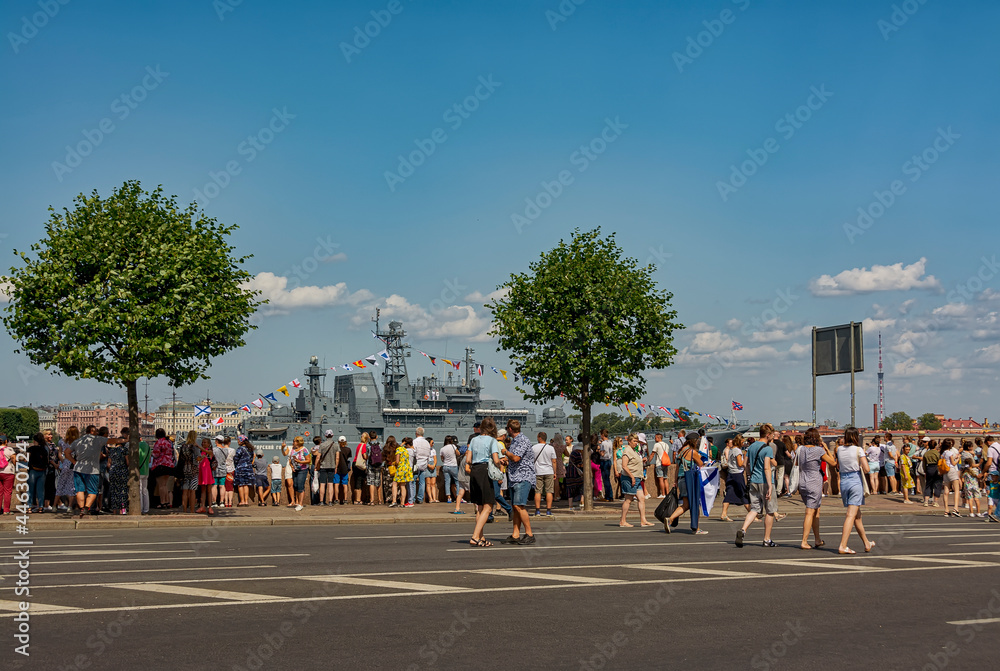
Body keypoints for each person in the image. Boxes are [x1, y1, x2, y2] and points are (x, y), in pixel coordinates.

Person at [736, 423, 778, 548]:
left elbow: (745, 464)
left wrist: (749, 476)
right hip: (764, 481)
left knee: (754, 509)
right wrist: (770, 485)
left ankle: (743, 530)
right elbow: (767, 467)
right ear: (768, 435)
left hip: (753, 480)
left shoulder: (751, 447)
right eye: (772, 435)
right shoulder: (767, 449)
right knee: (770, 511)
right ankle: (767, 539)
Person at [836, 427, 875, 554]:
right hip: (855, 481)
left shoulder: (839, 449)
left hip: (844, 482)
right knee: (851, 515)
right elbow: (867, 469)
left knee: (857, 516)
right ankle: (843, 545)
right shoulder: (859, 450)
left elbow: (838, 466)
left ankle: (866, 543)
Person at [796, 428, 837, 550]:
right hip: (814, 482)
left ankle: (817, 539)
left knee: (815, 511)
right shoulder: (819, 450)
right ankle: (804, 541)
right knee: (810, 512)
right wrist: (826, 449)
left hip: (803, 481)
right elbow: (833, 463)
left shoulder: (801, 449)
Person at [467, 416, 502, 547]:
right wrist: (499, 464)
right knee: (488, 506)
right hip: (485, 470)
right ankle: (475, 536)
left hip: (474, 471)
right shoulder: (492, 440)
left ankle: (481, 538)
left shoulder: (474, 440)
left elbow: (469, 459)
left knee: (480, 508)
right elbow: (496, 459)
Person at [500, 420, 535, 544]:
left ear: (510, 429)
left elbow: (516, 457)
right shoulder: (515, 441)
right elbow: (514, 459)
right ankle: (515, 535)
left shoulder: (522, 440)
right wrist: (506, 461)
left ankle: (529, 534)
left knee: (519, 506)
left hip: (523, 476)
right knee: (515, 507)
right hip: (515, 477)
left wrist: (505, 452)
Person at [665, 434, 706, 534]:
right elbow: (701, 464)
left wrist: (675, 481)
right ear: (694, 441)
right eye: (697, 441)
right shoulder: (692, 452)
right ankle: (696, 528)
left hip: (681, 479)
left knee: (686, 504)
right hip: (690, 480)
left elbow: (677, 468)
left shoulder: (681, 451)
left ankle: (670, 519)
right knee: (695, 503)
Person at [617, 433, 656, 528]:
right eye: (634, 441)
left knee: (641, 499)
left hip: (638, 478)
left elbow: (634, 462)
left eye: (637, 441)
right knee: (628, 500)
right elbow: (624, 466)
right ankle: (623, 521)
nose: (636, 443)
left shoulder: (634, 451)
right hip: (630, 478)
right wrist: (632, 477)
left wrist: (642, 460)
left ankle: (643, 520)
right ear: (629, 441)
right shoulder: (627, 451)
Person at [71, 425, 108, 518]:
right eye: (95, 431)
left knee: (79, 490)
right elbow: (112, 440)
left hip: (78, 468)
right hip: (92, 469)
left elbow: (67, 452)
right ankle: (87, 508)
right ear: (92, 431)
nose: (96, 433)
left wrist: (74, 461)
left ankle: (82, 508)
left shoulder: (78, 441)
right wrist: (125, 440)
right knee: (92, 491)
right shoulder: (97, 440)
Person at [720, 434, 749, 521]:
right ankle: (753, 515)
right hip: (737, 474)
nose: (743, 443)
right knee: (743, 493)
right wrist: (745, 460)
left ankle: (724, 513)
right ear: (739, 441)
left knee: (729, 493)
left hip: (731, 473)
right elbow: (740, 464)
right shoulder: (738, 451)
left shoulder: (731, 450)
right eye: (742, 442)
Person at [150, 428, 175, 509]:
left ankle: (162, 502)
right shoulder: (169, 442)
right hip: (169, 464)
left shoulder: (159, 442)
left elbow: (156, 454)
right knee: (165, 485)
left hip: (160, 464)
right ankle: (167, 502)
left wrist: (151, 454)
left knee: (161, 485)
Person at [532, 432, 557, 516]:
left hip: (537, 471)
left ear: (539, 437)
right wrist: (555, 472)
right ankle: (548, 510)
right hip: (549, 471)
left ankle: (537, 510)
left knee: (538, 491)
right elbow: (554, 461)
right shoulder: (551, 448)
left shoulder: (534, 448)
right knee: (549, 491)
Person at [178, 430, 200, 513]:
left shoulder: (183, 446)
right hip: (193, 470)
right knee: (192, 491)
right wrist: (203, 457)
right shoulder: (194, 447)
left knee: (185, 491)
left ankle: (184, 510)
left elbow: (180, 459)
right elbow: (198, 458)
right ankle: (191, 510)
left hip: (185, 469)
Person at [960, 441, 983, 518]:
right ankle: (978, 512)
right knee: (976, 499)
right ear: (969, 447)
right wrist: (979, 464)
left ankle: (971, 513)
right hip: (975, 485)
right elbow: (978, 475)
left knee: (970, 499)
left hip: (968, 486)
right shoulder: (975, 470)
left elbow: (962, 479)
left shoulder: (965, 472)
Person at [27, 433, 49, 513]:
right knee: (40, 490)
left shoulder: (31, 449)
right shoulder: (45, 449)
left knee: (30, 490)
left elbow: (27, 459)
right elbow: (47, 460)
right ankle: (41, 507)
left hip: (33, 470)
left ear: (34, 440)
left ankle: (29, 507)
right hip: (42, 471)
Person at [940, 438, 962, 516]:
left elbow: (948, 461)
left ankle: (946, 510)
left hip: (945, 472)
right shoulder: (950, 452)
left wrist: (954, 457)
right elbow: (953, 463)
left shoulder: (943, 453)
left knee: (946, 491)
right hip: (952, 470)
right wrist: (958, 458)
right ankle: (956, 508)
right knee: (956, 489)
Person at [315, 432, 338, 505]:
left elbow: (318, 457)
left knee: (322, 484)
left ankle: (321, 501)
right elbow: (337, 457)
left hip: (323, 466)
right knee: (331, 484)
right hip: (332, 466)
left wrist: (316, 466)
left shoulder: (322, 445)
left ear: (325, 436)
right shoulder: (336, 445)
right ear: (332, 435)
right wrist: (336, 466)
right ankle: (330, 501)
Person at [196, 438, 217, 515]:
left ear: (209, 444)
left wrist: (198, 446)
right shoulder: (201, 452)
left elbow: (208, 452)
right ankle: (202, 506)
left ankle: (210, 507)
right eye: (202, 442)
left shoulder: (209, 451)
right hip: (202, 471)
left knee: (209, 490)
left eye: (205, 442)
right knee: (203, 490)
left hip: (208, 472)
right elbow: (198, 459)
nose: (203, 444)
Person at [392, 437, 414, 508]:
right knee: (403, 485)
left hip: (401, 468)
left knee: (394, 483)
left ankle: (394, 501)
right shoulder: (407, 450)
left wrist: (394, 463)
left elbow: (397, 461)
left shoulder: (399, 449)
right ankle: (402, 503)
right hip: (407, 469)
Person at [413, 427, 432, 504]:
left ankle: (413, 498)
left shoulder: (414, 441)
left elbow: (414, 452)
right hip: (424, 464)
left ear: (416, 433)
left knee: (413, 482)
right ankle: (420, 498)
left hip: (416, 464)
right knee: (422, 482)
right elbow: (428, 454)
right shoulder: (427, 443)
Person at [564, 435, 583, 510]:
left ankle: (570, 505)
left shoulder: (572, 453)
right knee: (582, 486)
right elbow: (579, 464)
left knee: (570, 489)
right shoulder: (578, 454)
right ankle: (582, 502)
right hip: (576, 474)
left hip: (569, 472)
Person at [233, 436, 254, 507]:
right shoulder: (250, 449)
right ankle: (246, 501)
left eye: (238, 440)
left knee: (240, 485)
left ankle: (242, 501)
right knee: (246, 485)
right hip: (248, 469)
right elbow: (251, 459)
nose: (238, 441)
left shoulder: (240, 449)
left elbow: (236, 459)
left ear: (242, 441)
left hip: (240, 469)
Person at [921, 439, 943, 507]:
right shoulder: (937, 453)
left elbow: (924, 464)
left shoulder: (926, 453)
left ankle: (926, 501)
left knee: (928, 485)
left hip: (928, 468)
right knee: (937, 485)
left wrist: (925, 471)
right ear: (935, 445)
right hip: (936, 468)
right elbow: (940, 462)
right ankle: (935, 501)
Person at [55, 440, 75, 512]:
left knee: (60, 484)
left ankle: (54, 506)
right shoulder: (76, 441)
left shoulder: (61, 441)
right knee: (72, 486)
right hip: (73, 464)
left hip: (65, 464)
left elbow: (59, 455)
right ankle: (70, 506)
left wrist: (64, 462)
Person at [352, 432, 370, 505]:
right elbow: (364, 456)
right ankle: (358, 500)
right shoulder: (364, 445)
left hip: (355, 463)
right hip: (360, 465)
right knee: (359, 482)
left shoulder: (359, 445)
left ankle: (356, 499)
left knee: (357, 481)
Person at [440, 436, 459, 503]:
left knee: (447, 482)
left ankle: (449, 497)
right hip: (453, 465)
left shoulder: (442, 448)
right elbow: (458, 453)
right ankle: (458, 496)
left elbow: (442, 458)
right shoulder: (453, 446)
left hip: (445, 466)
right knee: (457, 481)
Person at [453, 437, 470, 514]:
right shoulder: (467, 459)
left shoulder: (461, 458)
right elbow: (467, 469)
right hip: (466, 478)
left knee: (460, 494)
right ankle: (477, 508)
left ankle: (457, 508)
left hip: (460, 477)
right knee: (473, 492)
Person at [365, 434, 383, 506]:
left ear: (369, 437)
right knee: (378, 482)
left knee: (371, 482)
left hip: (371, 465)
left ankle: (372, 500)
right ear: (376, 437)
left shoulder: (368, 445)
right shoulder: (380, 444)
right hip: (378, 465)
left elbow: (366, 455)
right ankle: (380, 500)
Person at [335, 436, 353, 505]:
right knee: (345, 484)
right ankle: (345, 499)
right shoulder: (348, 449)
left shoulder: (337, 449)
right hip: (345, 468)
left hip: (337, 468)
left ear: (339, 442)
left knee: (336, 484)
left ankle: (336, 500)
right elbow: (348, 457)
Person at [599, 429, 615, 502]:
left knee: (605, 480)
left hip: (604, 461)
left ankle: (608, 496)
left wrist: (598, 450)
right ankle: (610, 495)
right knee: (608, 479)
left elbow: (602, 453)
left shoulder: (603, 444)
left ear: (602, 435)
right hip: (609, 461)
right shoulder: (610, 442)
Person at [0, 435, 15, 515]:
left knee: (0, 492)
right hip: (8, 472)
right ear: (6, 441)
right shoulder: (9, 449)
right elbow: (14, 459)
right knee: (7, 492)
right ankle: (6, 510)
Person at [213, 436, 229, 508]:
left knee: (214, 486)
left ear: (216, 441)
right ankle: (222, 502)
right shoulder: (226, 450)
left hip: (215, 470)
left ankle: (214, 502)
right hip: (223, 469)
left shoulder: (214, 450)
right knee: (222, 486)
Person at [425, 438, 439, 504]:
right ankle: (430, 498)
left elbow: (435, 458)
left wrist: (434, 465)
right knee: (428, 483)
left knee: (433, 483)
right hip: (427, 465)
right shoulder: (424, 450)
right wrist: (428, 465)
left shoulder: (433, 450)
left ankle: (434, 498)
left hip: (433, 464)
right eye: (432, 443)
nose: (433, 444)